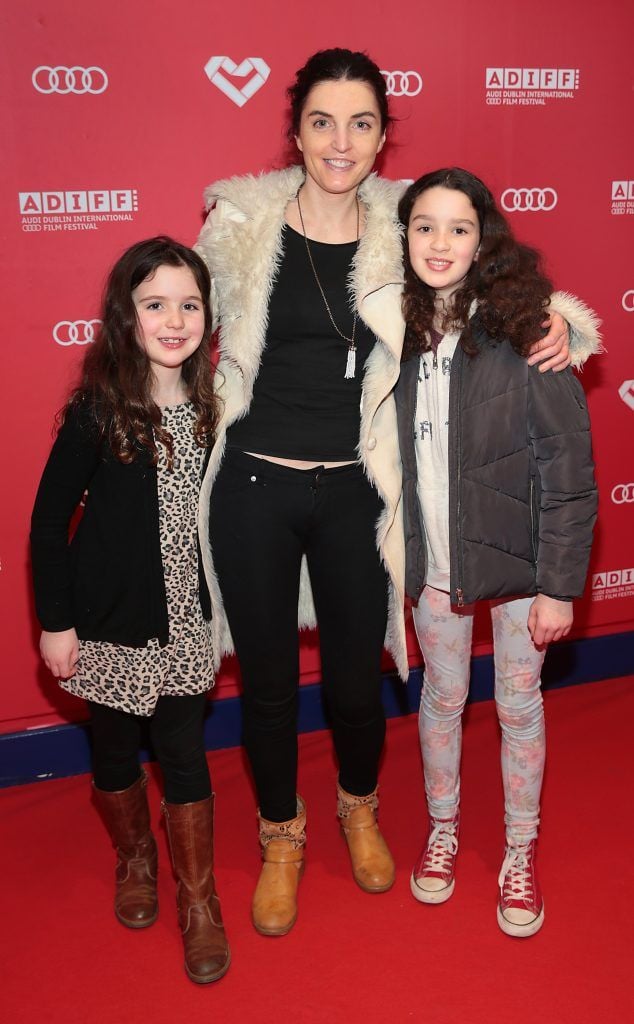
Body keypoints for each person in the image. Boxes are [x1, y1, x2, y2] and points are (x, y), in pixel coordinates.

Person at [194, 48, 597, 938]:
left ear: (384, 137)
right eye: (323, 121)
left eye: (363, 123)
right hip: (256, 486)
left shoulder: (400, 221)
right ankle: (281, 837)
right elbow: (176, 322)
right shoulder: (240, 220)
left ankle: (362, 808)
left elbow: (490, 278)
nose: (342, 141)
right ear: (294, 129)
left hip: (358, 497)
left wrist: (567, 323)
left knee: (355, 683)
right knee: (268, 685)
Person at [395, 168, 599, 936]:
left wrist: (559, 587)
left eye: (458, 227)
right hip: (434, 566)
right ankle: (443, 829)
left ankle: (520, 848)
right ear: (404, 236)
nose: (439, 242)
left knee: (517, 703)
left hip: (517, 567)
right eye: (423, 226)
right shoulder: (394, 334)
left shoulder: (528, 333)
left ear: (485, 242)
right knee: (443, 698)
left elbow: (570, 470)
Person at [30, 237, 230, 983]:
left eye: (189, 304)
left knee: (184, 758)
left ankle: (201, 901)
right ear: (127, 315)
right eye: (155, 305)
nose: (173, 320)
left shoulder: (217, 405)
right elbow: (50, 525)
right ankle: (136, 858)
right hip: (108, 624)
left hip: (186, 623)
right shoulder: (98, 409)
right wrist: (56, 622)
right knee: (115, 752)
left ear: (208, 316)